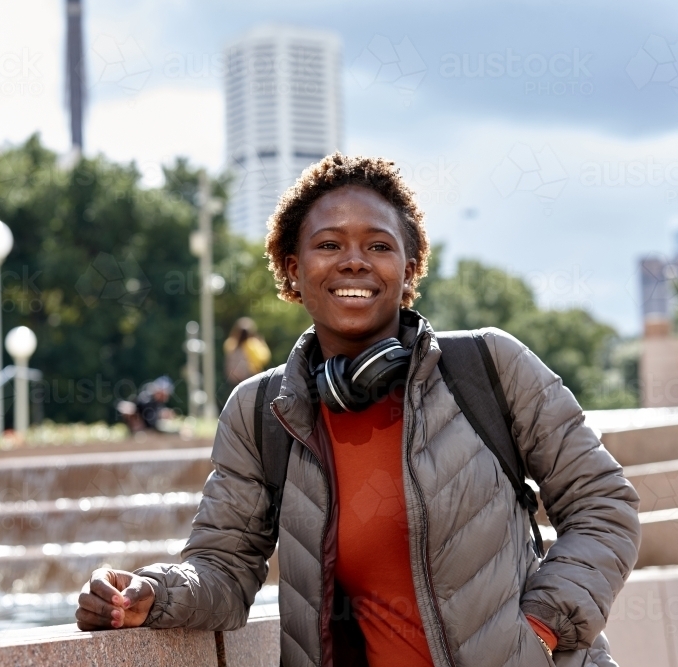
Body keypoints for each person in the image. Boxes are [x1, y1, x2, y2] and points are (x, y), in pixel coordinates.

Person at [77, 153, 641, 667]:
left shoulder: (489, 366)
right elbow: (224, 569)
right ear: (292, 269)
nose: (354, 262)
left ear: (409, 265)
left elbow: (603, 504)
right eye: (328, 245)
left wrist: (540, 631)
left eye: (378, 244)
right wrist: (154, 593)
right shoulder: (259, 413)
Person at [224, 316, 272, 386]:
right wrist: (262, 342)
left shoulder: (231, 343)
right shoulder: (252, 344)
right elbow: (264, 358)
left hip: (233, 380)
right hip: (250, 378)